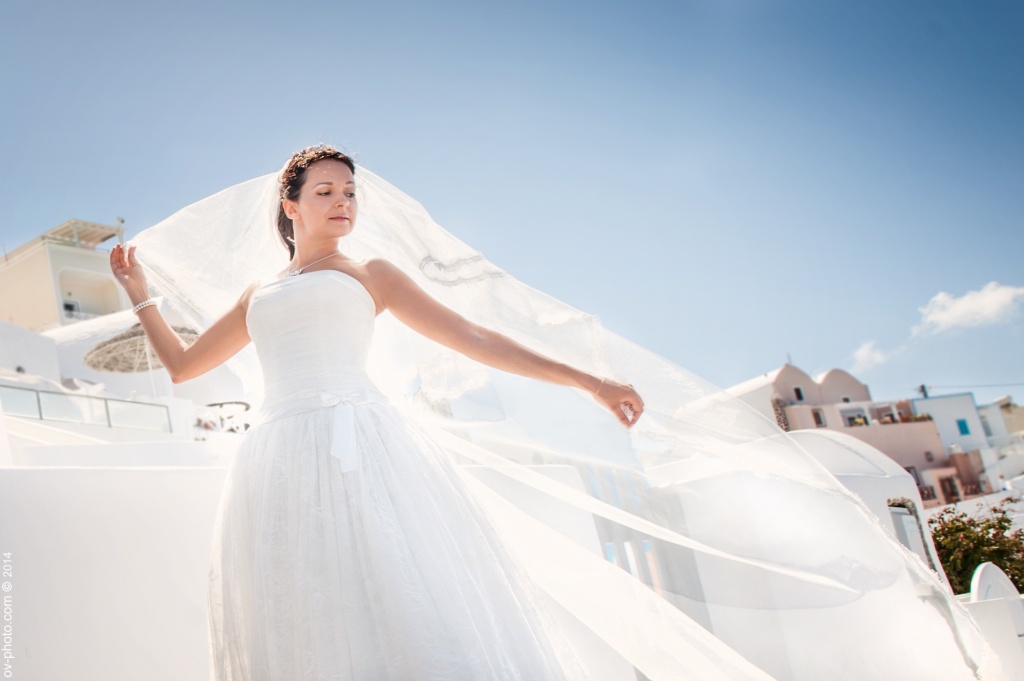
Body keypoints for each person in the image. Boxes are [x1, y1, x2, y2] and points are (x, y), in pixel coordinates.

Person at [109, 144, 644, 680]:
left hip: (363, 446)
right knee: (303, 603)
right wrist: (139, 295)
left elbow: (473, 337)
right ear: (291, 206)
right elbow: (183, 366)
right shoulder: (258, 292)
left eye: (349, 192)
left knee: (398, 591)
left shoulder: (372, 274)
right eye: (325, 192)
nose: (342, 202)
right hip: (277, 456)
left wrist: (590, 382)